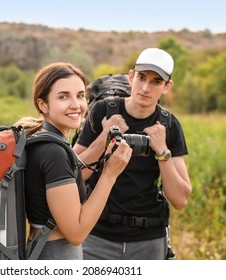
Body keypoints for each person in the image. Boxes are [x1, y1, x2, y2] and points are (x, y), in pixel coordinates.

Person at [73, 48, 192, 260]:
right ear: (131, 77)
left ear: (167, 86)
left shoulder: (169, 125)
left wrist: (162, 151)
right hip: (97, 235)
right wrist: (104, 137)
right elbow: (72, 175)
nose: (146, 87)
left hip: (149, 240)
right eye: (142, 77)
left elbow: (180, 199)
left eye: (156, 82)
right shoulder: (102, 111)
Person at [14, 62, 132, 260]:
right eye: (63, 96)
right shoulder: (53, 152)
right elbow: (76, 233)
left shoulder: (42, 141)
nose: (76, 105)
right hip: (56, 254)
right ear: (42, 104)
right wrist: (110, 174)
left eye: (80, 95)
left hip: (43, 250)